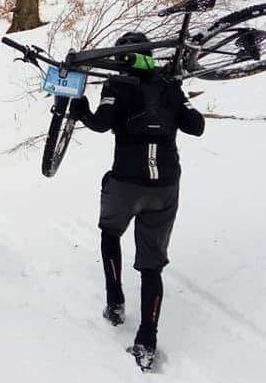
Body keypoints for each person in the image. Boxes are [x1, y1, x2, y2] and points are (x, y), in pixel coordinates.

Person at [69, 31, 205, 370]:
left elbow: (101, 124)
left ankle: (114, 299)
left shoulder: (117, 85)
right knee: (152, 265)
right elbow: (196, 126)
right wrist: (177, 100)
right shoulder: (169, 85)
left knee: (110, 233)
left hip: (126, 183)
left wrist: (81, 109)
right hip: (165, 186)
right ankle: (147, 338)